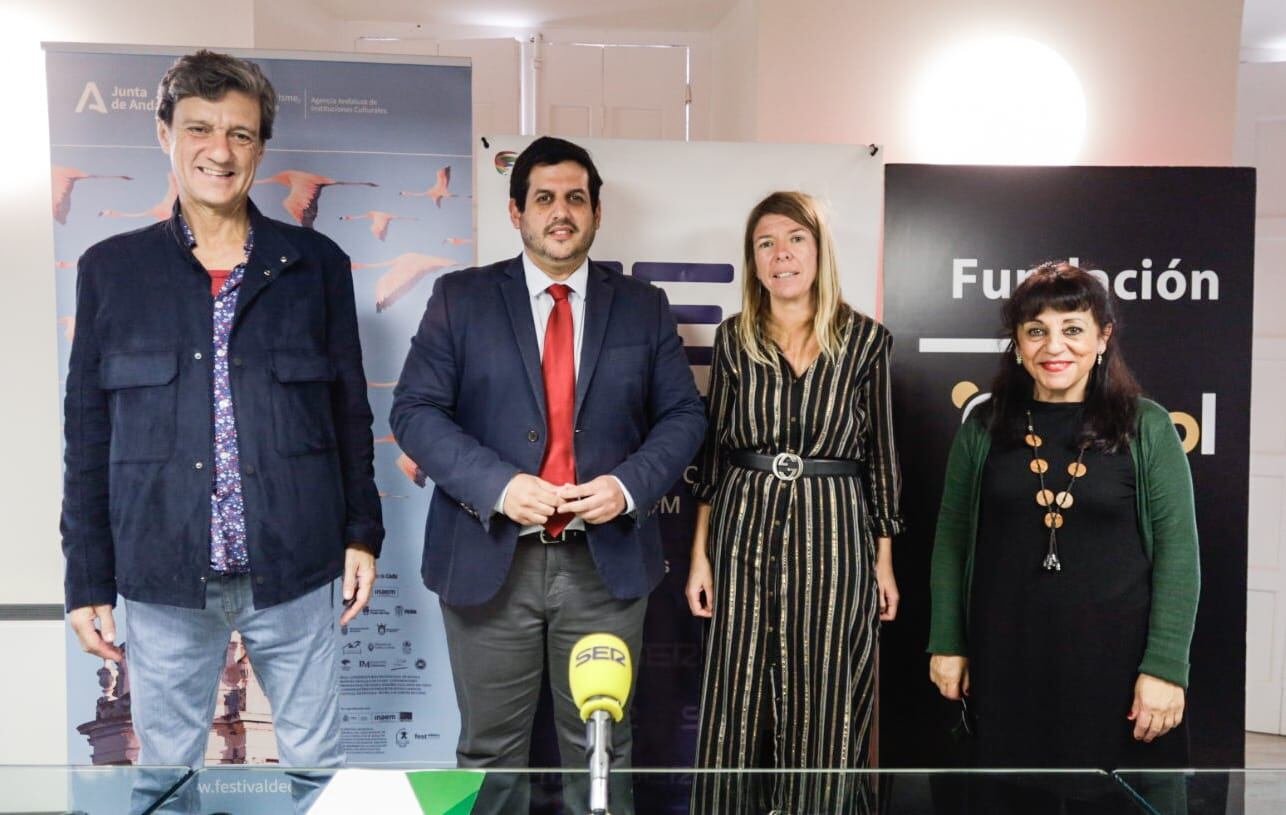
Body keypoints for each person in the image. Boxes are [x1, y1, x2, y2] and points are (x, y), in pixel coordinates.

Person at [60, 50, 383, 803]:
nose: (220, 149)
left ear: (261, 147)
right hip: (164, 575)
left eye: (241, 134)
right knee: (166, 780)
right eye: (200, 128)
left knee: (318, 773)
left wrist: (362, 531)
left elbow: (349, 411)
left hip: (297, 570)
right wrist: (86, 577)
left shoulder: (317, 264)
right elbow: (88, 435)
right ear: (164, 132)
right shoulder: (112, 270)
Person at [389, 136, 706, 814]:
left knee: (601, 748)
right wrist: (500, 485)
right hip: (486, 559)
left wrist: (626, 486)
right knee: (489, 753)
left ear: (596, 211)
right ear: (516, 212)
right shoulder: (460, 298)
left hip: (605, 563)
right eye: (544, 199)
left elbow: (683, 415)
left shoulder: (644, 306)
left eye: (575, 199)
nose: (560, 212)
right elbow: (415, 411)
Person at [927, 262, 1199, 812]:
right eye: (1037, 330)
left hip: (1117, 675)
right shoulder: (984, 426)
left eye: (1073, 328)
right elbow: (952, 542)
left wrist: (1166, 668)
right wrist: (948, 644)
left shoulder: (1144, 425)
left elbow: (1179, 554)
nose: (1055, 345)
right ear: (1019, 345)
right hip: (1004, 666)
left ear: (1103, 338)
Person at [685, 191, 903, 814]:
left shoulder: (866, 342)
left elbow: (882, 458)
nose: (782, 254)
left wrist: (883, 562)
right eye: (766, 243)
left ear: (819, 249)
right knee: (736, 698)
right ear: (754, 262)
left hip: (836, 532)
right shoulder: (733, 340)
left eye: (795, 239)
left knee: (827, 699)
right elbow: (714, 454)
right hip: (741, 527)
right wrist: (700, 557)